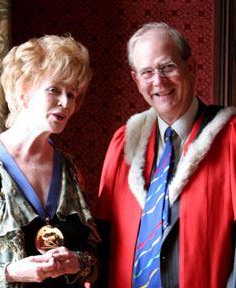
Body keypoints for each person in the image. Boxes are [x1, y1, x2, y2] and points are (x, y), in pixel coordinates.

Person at [94, 22, 236, 288]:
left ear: (191, 68)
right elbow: (103, 238)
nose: (158, 81)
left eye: (168, 67)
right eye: (147, 72)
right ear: (136, 81)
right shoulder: (123, 143)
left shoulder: (231, 138)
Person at [0, 34, 101, 287]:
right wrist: (8, 273)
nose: (65, 103)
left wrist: (77, 263)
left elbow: (93, 258)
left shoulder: (69, 168)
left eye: (72, 94)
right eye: (54, 90)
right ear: (23, 92)